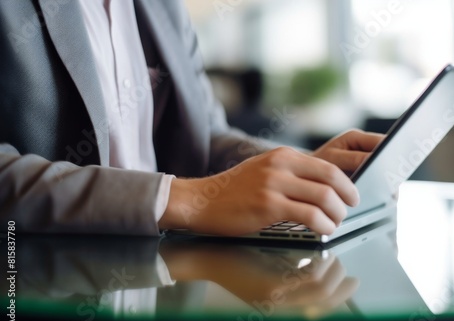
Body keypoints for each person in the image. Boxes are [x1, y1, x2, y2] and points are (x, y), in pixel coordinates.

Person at [0, 0, 383, 236]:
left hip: (162, 289)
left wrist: (298, 171)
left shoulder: (161, 7)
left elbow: (205, 132)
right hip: (32, 293)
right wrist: (188, 200)